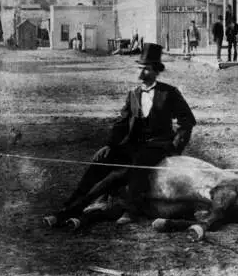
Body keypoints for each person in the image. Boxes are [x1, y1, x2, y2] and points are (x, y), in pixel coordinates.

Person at [44, 43, 196, 226]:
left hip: (158, 147)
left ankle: (127, 210)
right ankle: (69, 205)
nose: (140, 75)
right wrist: (110, 145)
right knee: (101, 160)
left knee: (123, 172)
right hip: (134, 145)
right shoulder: (133, 94)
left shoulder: (169, 93)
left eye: (146, 70)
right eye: (139, 69)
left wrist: (174, 147)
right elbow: (122, 124)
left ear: (156, 70)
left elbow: (187, 121)